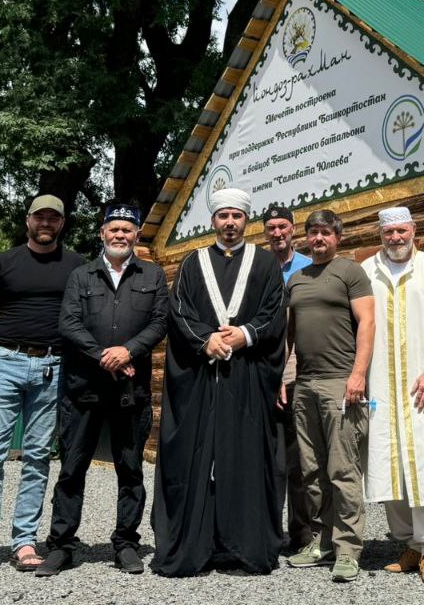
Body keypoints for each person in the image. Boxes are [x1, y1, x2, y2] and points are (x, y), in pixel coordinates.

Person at [151, 188, 286, 576]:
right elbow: (179, 312)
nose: (230, 223)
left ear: (247, 220)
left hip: (245, 376)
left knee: (244, 455)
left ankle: (244, 545)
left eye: (237, 217)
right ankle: (197, 544)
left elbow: (274, 311)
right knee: (198, 458)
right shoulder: (193, 263)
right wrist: (204, 340)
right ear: (213, 220)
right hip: (201, 375)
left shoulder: (264, 263)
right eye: (223, 216)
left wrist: (245, 334)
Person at [0, 195, 83, 581]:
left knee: (38, 455)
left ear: (61, 223)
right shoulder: (4, 262)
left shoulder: (75, 265)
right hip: (5, 362)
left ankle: (25, 540)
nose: (46, 223)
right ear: (28, 221)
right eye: (39, 216)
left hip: (53, 366)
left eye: (53, 218)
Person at [38, 203, 168, 576]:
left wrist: (129, 350)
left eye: (127, 229)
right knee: (72, 468)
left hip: (131, 391)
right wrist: (103, 356)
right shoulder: (82, 276)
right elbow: (69, 323)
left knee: (130, 470)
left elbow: (160, 321)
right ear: (102, 233)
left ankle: (126, 543)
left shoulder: (153, 275)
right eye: (114, 229)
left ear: (137, 236)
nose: (120, 235)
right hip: (84, 390)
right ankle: (61, 545)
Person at [361, 207, 424, 585]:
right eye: (388, 232)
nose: (395, 238)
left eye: (401, 231)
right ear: (381, 234)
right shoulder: (368, 271)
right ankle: (407, 544)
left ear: (413, 230)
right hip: (381, 385)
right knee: (390, 466)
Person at [283, 210, 375, 583]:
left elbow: (367, 323)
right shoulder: (297, 278)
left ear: (337, 236)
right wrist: (280, 378)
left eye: (325, 232)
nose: (318, 238)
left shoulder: (350, 271)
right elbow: (289, 333)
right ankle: (322, 541)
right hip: (304, 384)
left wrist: (358, 375)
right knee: (311, 470)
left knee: (343, 468)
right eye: (313, 233)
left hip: (341, 382)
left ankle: (349, 548)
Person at [264, 204, 314, 554]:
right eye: (271, 228)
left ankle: (301, 533)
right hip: (264, 372)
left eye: (283, 226)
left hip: (298, 371)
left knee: (298, 460)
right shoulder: (259, 267)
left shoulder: (308, 269)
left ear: (293, 229)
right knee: (267, 459)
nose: (277, 233)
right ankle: (266, 531)